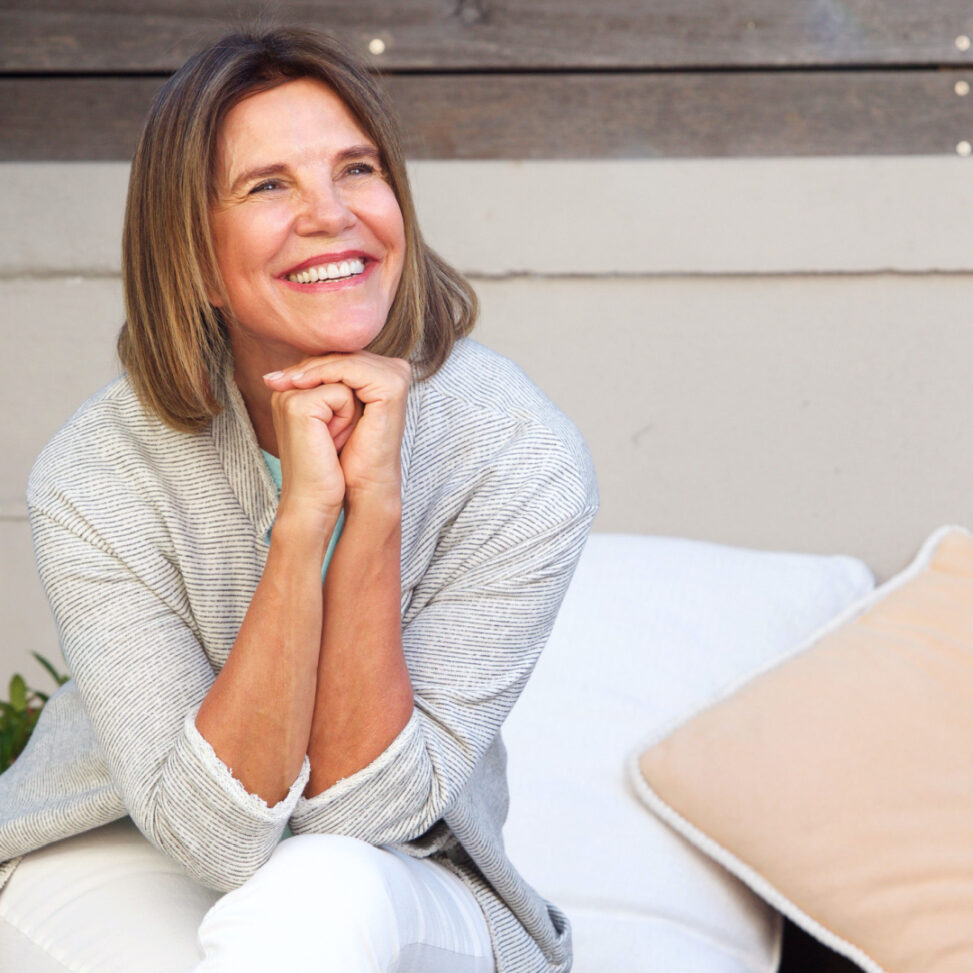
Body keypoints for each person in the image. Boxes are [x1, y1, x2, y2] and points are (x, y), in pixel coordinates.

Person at [0, 26, 597, 973]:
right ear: (192, 255)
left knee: (315, 893)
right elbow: (209, 836)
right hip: (124, 849)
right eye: (267, 185)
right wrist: (304, 520)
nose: (330, 214)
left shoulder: (515, 452)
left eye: (356, 170)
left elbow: (359, 819)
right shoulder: (100, 472)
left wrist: (374, 513)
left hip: (401, 876)